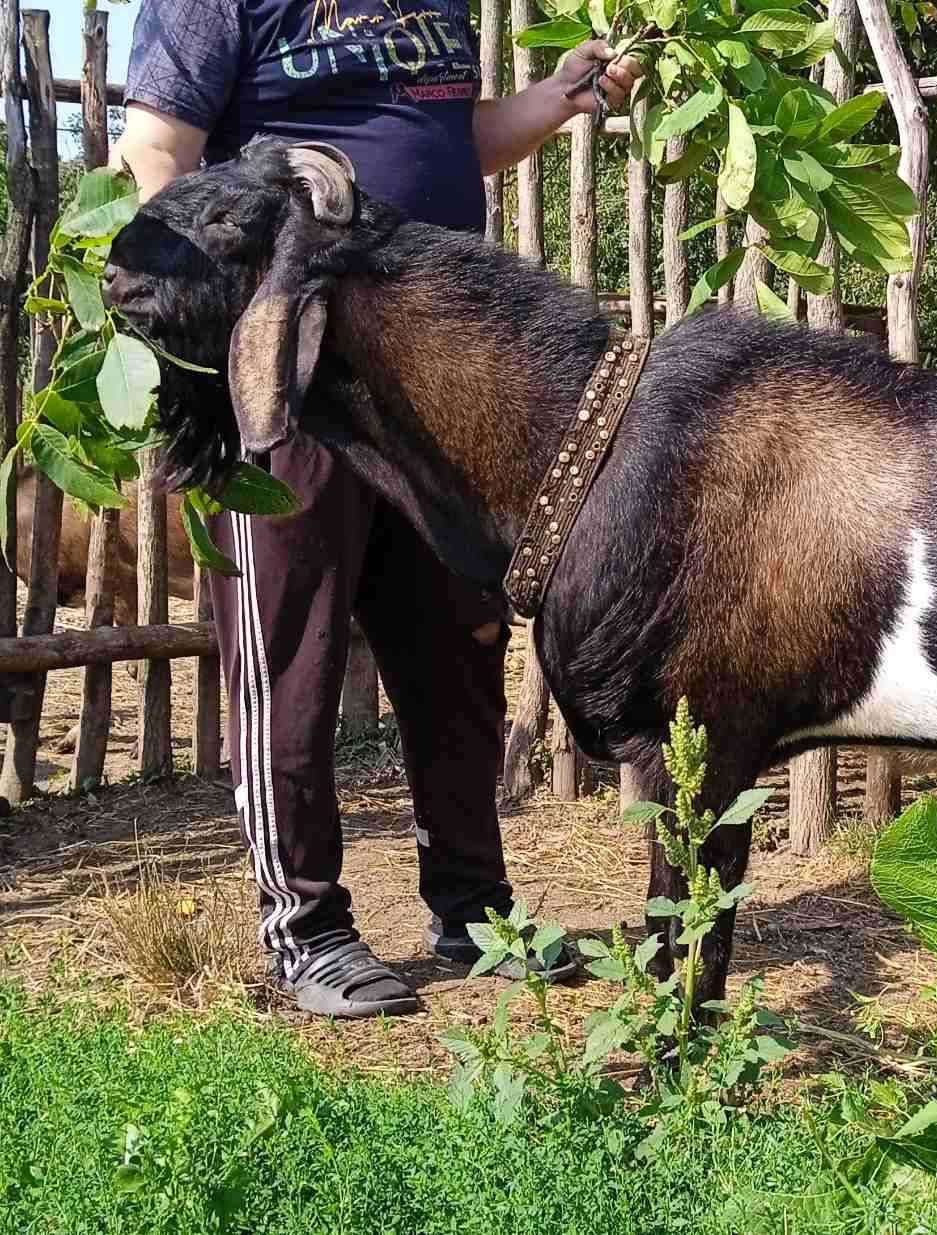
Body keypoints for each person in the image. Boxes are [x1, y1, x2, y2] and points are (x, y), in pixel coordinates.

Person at [113, 0, 642, 1018]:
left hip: (433, 376)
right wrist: (219, 330)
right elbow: (157, 151)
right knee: (289, 654)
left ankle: (475, 908)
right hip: (291, 377)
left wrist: (550, 100)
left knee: (459, 645)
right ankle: (304, 927)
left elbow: (445, 138)